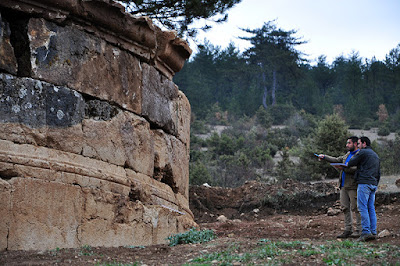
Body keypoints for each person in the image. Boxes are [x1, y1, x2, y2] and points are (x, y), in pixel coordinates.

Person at [318, 136, 361, 238]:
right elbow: (337, 159)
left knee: (356, 208)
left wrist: (344, 168)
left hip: (353, 185)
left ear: (355, 144)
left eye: (349, 143)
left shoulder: (359, 155)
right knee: (345, 208)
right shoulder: (347, 155)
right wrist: (325, 157)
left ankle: (359, 230)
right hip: (343, 185)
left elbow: (357, 169)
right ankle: (348, 229)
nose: (347, 145)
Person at [347, 136, 380, 242]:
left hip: (364, 183)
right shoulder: (375, 155)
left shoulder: (363, 152)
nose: (358, 145)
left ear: (364, 144)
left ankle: (365, 232)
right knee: (371, 208)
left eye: (359, 143)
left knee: (362, 207)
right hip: (373, 183)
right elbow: (378, 171)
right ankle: (373, 231)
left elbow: (351, 162)